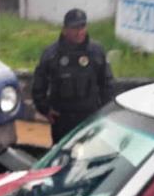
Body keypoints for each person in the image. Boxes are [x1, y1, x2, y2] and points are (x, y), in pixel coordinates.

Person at [32, 8, 114, 144]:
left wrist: (104, 112)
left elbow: (107, 83)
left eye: (82, 27)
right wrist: (45, 109)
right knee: (62, 158)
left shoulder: (96, 51)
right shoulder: (52, 54)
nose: (79, 32)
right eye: (75, 28)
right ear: (65, 30)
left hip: (89, 118)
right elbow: (39, 85)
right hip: (62, 120)